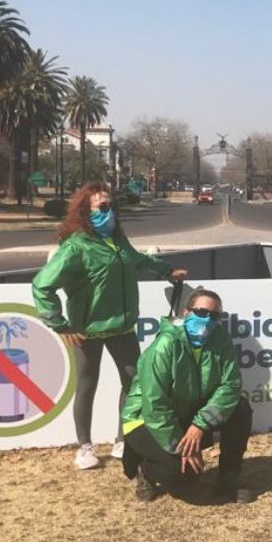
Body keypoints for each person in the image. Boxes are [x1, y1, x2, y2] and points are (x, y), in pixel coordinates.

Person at [32, 181, 187, 470]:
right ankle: (85, 447)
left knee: (133, 384)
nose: (109, 213)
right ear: (84, 212)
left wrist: (166, 271)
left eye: (112, 206)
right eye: (102, 208)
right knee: (86, 387)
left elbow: (136, 259)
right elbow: (42, 285)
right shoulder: (76, 247)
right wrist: (60, 324)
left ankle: (123, 438)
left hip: (123, 329)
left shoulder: (118, 240)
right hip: (86, 332)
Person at [120, 288, 253, 503]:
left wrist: (200, 424)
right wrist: (180, 447)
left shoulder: (220, 338)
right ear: (186, 312)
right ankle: (145, 468)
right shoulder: (165, 345)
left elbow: (230, 386)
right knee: (184, 475)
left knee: (240, 408)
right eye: (201, 312)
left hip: (189, 413)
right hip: (146, 418)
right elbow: (155, 405)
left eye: (214, 315)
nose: (207, 319)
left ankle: (229, 477)